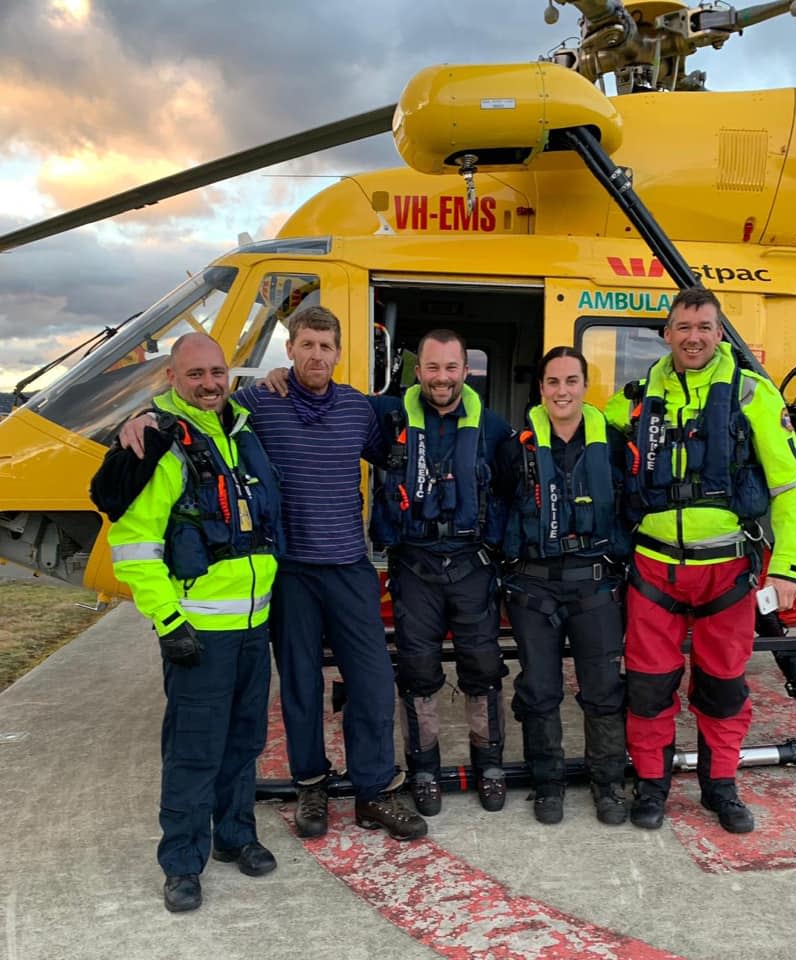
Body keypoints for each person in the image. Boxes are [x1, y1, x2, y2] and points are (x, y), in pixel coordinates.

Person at [119, 307, 427, 843]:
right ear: (290, 350)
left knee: (374, 682)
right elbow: (199, 414)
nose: (315, 355)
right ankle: (311, 784)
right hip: (289, 572)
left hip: (350, 565)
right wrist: (142, 419)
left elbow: (392, 452)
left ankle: (375, 789)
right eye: (305, 344)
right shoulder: (257, 402)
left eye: (325, 346)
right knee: (301, 685)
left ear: (338, 351)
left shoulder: (358, 410)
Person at [605, 287, 796, 834]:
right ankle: (652, 786)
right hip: (653, 569)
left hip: (727, 570)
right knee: (647, 687)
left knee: (723, 686)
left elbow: (790, 487)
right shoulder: (635, 399)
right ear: (667, 333)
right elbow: (575, 422)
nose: (693, 337)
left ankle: (721, 786)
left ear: (719, 334)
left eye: (704, 327)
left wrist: (788, 567)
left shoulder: (752, 396)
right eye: (683, 327)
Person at [99, 333, 281, 912]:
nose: (208, 383)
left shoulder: (241, 431)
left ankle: (235, 836)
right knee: (194, 751)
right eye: (195, 374)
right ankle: (181, 862)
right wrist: (168, 620)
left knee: (245, 741)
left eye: (217, 371)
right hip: (199, 630)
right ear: (172, 379)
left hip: (253, 626)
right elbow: (132, 544)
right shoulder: (162, 445)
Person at [367, 329, 514, 817]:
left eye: (452, 367)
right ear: (418, 370)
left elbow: (514, 492)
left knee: (483, 667)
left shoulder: (493, 429)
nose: (442, 378)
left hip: (473, 566)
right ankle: (424, 769)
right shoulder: (387, 418)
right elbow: (323, 404)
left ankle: (489, 764)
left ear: (466, 371)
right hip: (414, 566)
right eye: (433, 367)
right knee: (417, 671)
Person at [495, 347, 629, 825]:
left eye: (571, 381)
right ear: (541, 389)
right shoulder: (517, 446)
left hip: (595, 586)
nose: (562, 391)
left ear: (584, 385)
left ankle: (609, 783)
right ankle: (546, 783)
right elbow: (499, 510)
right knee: (539, 689)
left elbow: (630, 509)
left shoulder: (612, 444)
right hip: (534, 589)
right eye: (553, 382)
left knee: (604, 690)